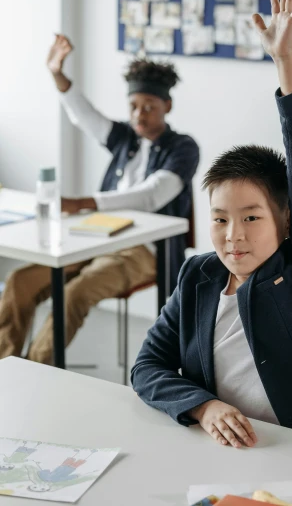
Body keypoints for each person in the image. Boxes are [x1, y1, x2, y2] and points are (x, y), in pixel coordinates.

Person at [131, 0, 292, 449]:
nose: (232, 235)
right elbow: (146, 367)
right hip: (223, 457)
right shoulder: (197, 276)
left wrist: (285, 61)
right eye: (219, 219)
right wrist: (203, 405)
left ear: (286, 222)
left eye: (252, 217)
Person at [0, 36, 199, 364]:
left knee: (74, 294)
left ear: (167, 106)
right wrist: (56, 73)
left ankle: (36, 368)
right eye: (134, 106)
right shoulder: (124, 138)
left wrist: (84, 203)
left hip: (146, 250)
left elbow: (152, 196)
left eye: (149, 106)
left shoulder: (183, 148)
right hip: (98, 237)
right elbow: (84, 115)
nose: (140, 114)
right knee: (20, 281)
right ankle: (7, 366)